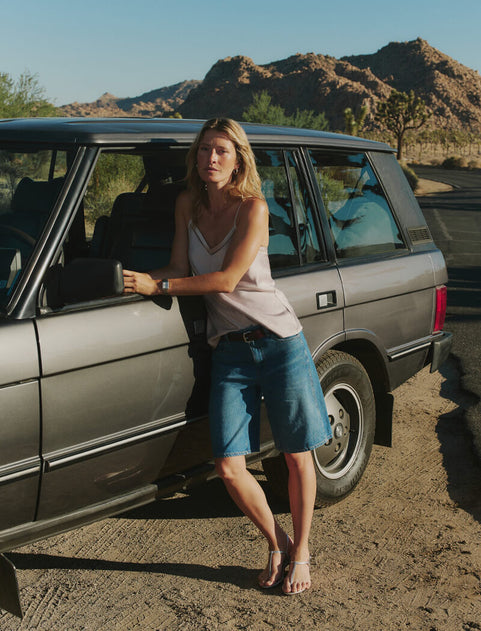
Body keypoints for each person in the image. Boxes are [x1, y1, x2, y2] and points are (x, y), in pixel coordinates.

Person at [123, 118, 332, 595]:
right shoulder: (187, 205)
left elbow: (227, 279)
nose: (210, 159)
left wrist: (162, 287)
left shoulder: (252, 208)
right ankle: (276, 540)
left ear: (238, 158)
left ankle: (302, 550)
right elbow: (178, 267)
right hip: (231, 351)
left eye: (220, 151)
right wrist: (129, 281)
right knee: (228, 466)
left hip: (279, 341)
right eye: (203, 151)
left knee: (297, 455)